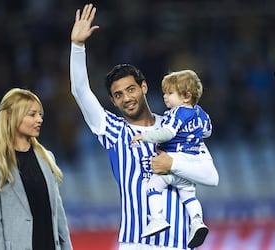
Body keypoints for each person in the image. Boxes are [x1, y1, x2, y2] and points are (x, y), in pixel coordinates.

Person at [70, 4, 218, 249]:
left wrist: (172, 164)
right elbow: (81, 91)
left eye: (131, 89)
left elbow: (211, 177)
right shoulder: (113, 131)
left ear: (144, 87)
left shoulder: (178, 124)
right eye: (118, 95)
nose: (126, 98)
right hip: (136, 242)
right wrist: (77, 46)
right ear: (113, 101)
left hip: (180, 243)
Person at [0, 88, 73, 250]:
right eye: (32, 114)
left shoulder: (47, 158)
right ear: (11, 117)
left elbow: (58, 215)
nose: (39, 120)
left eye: (40, 114)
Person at [131, 70, 216, 247]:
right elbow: (207, 131)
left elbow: (168, 133)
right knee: (189, 196)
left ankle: (157, 218)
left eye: (170, 93)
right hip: (191, 163)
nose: (165, 97)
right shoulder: (201, 114)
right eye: (164, 93)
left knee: (153, 185)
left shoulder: (178, 113)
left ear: (186, 96)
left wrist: (145, 137)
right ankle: (197, 222)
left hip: (174, 160)